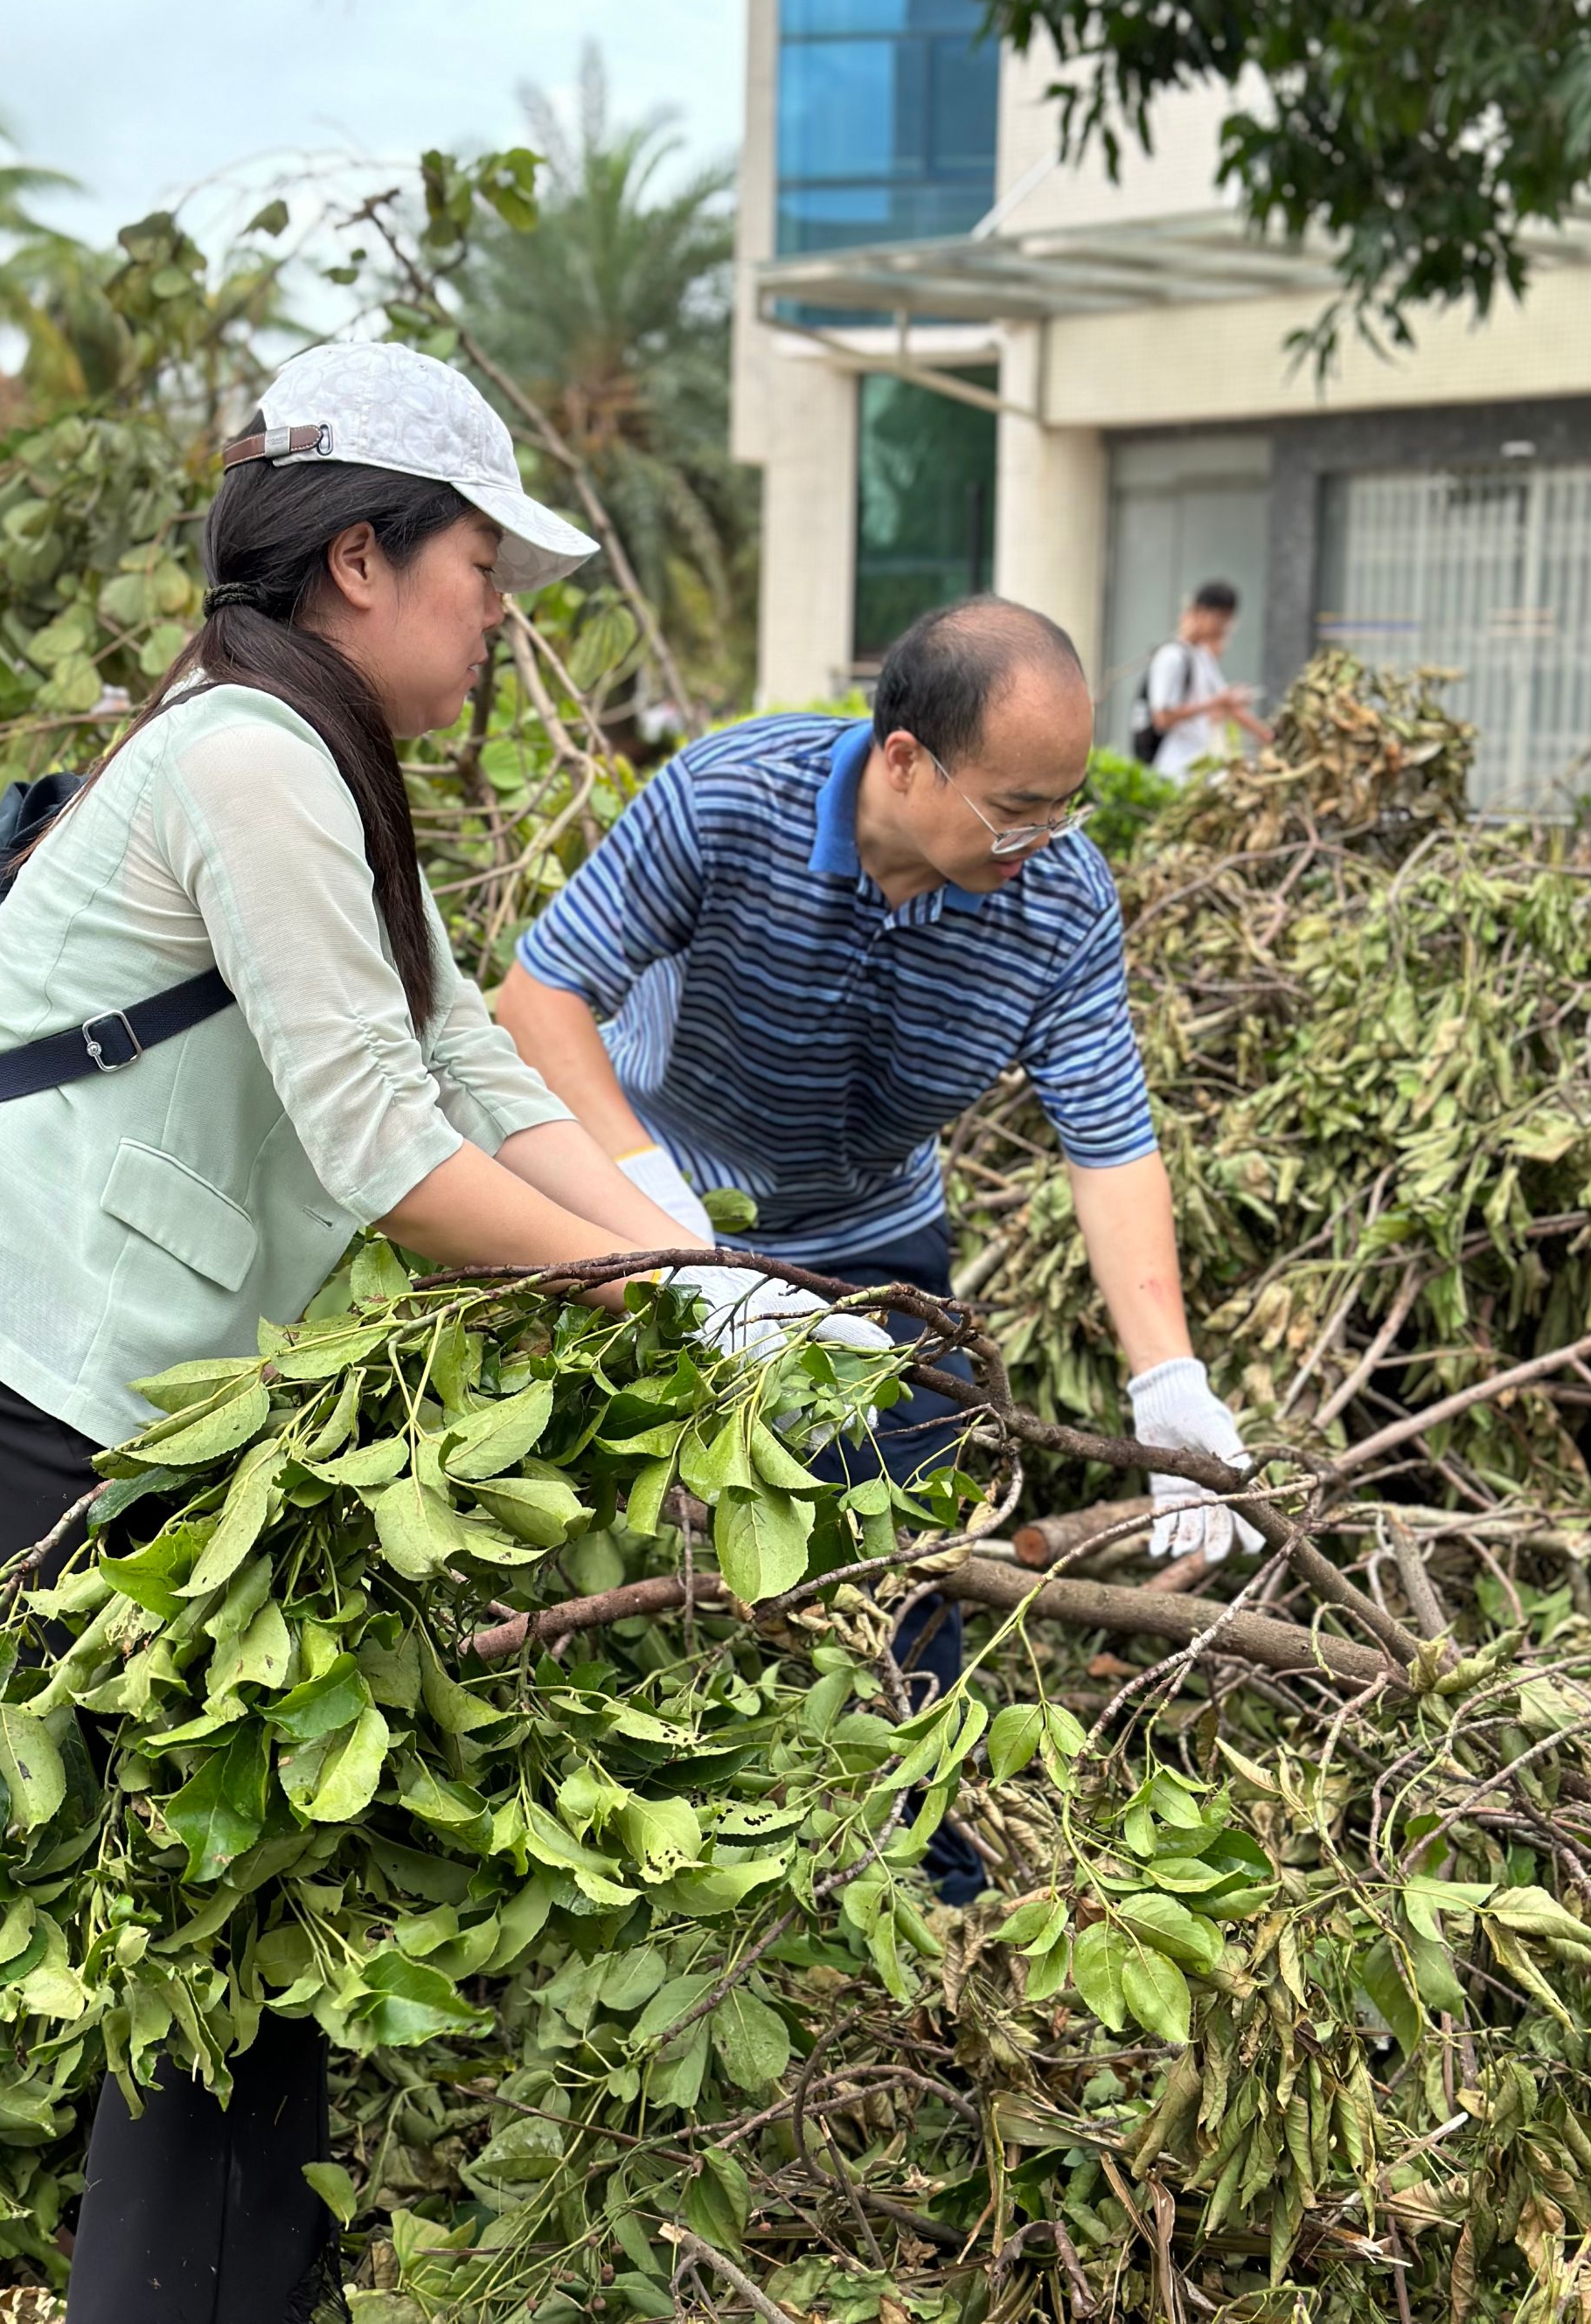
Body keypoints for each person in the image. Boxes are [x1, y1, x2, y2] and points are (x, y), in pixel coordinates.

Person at [0, 340, 879, 2324]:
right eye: (480, 571)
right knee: (204, 1886)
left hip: (78, 1386)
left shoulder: (312, 766)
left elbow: (472, 1074)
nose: (500, 615)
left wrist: (690, 1257)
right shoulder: (244, 762)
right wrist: (667, 1293)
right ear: (359, 563)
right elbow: (393, 1163)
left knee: (231, 1906)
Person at [497, 596, 1259, 1889]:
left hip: (871, 1235)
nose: (1043, 838)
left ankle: (927, 1880)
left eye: (1065, 804)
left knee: (906, 1554)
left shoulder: (1058, 898)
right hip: (661, 1209)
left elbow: (1111, 1140)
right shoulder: (729, 797)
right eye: (1015, 806)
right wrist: (666, 1240)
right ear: (903, 756)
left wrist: (1165, 1377)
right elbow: (540, 997)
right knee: (615, 1529)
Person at [1142, 578, 1275, 780]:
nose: (1224, 628)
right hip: (1173, 770)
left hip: (1198, 767)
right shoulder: (1172, 657)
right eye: (1221, 619)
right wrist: (1216, 703)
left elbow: (1227, 704)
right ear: (1200, 613)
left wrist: (1266, 735)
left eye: (1228, 621)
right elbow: (1162, 718)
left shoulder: (1202, 656)